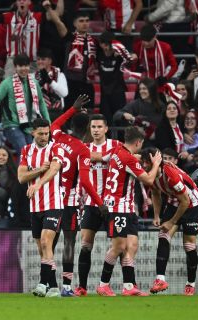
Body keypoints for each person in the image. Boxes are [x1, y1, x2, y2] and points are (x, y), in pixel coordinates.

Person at [50, 96, 106, 297]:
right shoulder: (82, 149)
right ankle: (66, 287)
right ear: (87, 130)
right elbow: (84, 180)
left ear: (72, 125)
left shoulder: (58, 137)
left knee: (51, 241)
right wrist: (100, 203)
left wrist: (72, 109)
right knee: (69, 243)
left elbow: (54, 124)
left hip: (53, 198)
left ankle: (48, 283)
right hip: (70, 201)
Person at [96, 126, 162, 297]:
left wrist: (136, 158)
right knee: (119, 246)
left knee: (131, 246)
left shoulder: (118, 150)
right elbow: (148, 179)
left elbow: (128, 160)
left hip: (128, 208)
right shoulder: (128, 158)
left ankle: (128, 286)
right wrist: (155, 164)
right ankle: (103, 284)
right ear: (138, 142)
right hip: (117, 208)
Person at [140, 148, 198, 296]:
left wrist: (171, 222)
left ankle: (190, 284)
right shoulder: (152, 173)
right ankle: (160, 279)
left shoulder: (170, 175)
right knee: (163, 235)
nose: (143, 165)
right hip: (175, 201)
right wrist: (156, 215)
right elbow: (155, 193)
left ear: (155, 161)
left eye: (145, 162)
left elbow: (186, 201)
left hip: (192, 204)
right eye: (142, 161)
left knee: (188, 245)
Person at [18, 118, 65, 298]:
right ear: (33, 133)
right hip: (35, 206)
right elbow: (21, 177)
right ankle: (53, 287)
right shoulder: (26, 150)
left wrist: (38, 184)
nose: (45, 137)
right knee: (42, 249)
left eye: (47, 133)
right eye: (41, 134)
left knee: (46, 242)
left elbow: (54, 170)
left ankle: (42, 283)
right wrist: (38, 170)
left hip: (54, 204)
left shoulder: (55, 147)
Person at [75, 114, 121, 296]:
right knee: (86, 245)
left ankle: (114, 285)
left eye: (99, 127)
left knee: (119, 244)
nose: (95, 130)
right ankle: (82, 287)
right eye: (93, 127)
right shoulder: (85, 148)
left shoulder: (116, 145)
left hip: (112, 204)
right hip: (91, 204)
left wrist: (99, 157)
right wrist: (105, 158)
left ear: (106, 128)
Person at [0, 53, 50, 156]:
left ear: (29, 66)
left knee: (32, 154)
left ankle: (22, 172)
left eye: (26, 65)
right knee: (24, 151)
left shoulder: (34, 82)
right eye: (20, 66)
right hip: (11, 124)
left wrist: (48, 121)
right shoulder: (7, 83)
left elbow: (41, 103)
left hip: (28, 126)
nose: (23, 68)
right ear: (15, 67)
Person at [0, 0, 64, 76]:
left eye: (24, 0)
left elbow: (58, 13)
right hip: (13, 60)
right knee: (9, 84)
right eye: (19, 0)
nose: (21, 1)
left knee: (36, 86)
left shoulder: (37, 16)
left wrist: (48, 8)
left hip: (32, 60)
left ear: (29, 2)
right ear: (16, 3)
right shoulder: (8, 16)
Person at [47, 7, 96, 109]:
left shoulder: (94, 41)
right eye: (81, 21)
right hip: (70, 83)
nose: (85, 23)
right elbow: (57, 21)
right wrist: (48, 7)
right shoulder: (69, 37)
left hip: (87, 83)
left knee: (89, 112)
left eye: (87, 21)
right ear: (74, 24)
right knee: (69, 113)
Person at [96, 31, 132, 124]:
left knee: (121, 120)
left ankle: (121, 139)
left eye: (109, 45)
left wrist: (121, 54)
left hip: (118, 90)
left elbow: (132, 58)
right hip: (104, 92)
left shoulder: (120, 55)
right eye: (105, 45)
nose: (107, 48)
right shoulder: (98, 53)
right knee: (105, 121)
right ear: (100, 44)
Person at [35, 47, 68, 122]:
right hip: (39, 113)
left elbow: (64, 93)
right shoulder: (33, 76)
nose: (40, 62)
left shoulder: (59, 75)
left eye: (43, 59)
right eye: (38, 59)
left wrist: (50, 82)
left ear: (50, 61)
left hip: (57, 113)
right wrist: (40, 84)